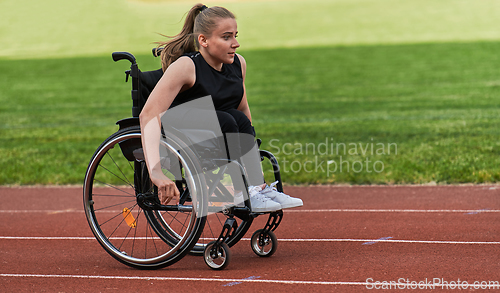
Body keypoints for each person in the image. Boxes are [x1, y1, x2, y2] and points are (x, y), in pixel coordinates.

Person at [139, 3, 302, 212]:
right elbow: (149, 115)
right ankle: (240, 190)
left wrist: (249, 157)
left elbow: (243, 111)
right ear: (203, 40)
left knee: (238, 119)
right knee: (227, 120)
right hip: (177, 129)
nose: (236, 43)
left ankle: (256, 188)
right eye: (226, 37)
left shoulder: (238, 64)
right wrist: (156, 172)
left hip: (217, 129)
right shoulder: (186, 66)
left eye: (235, 35)